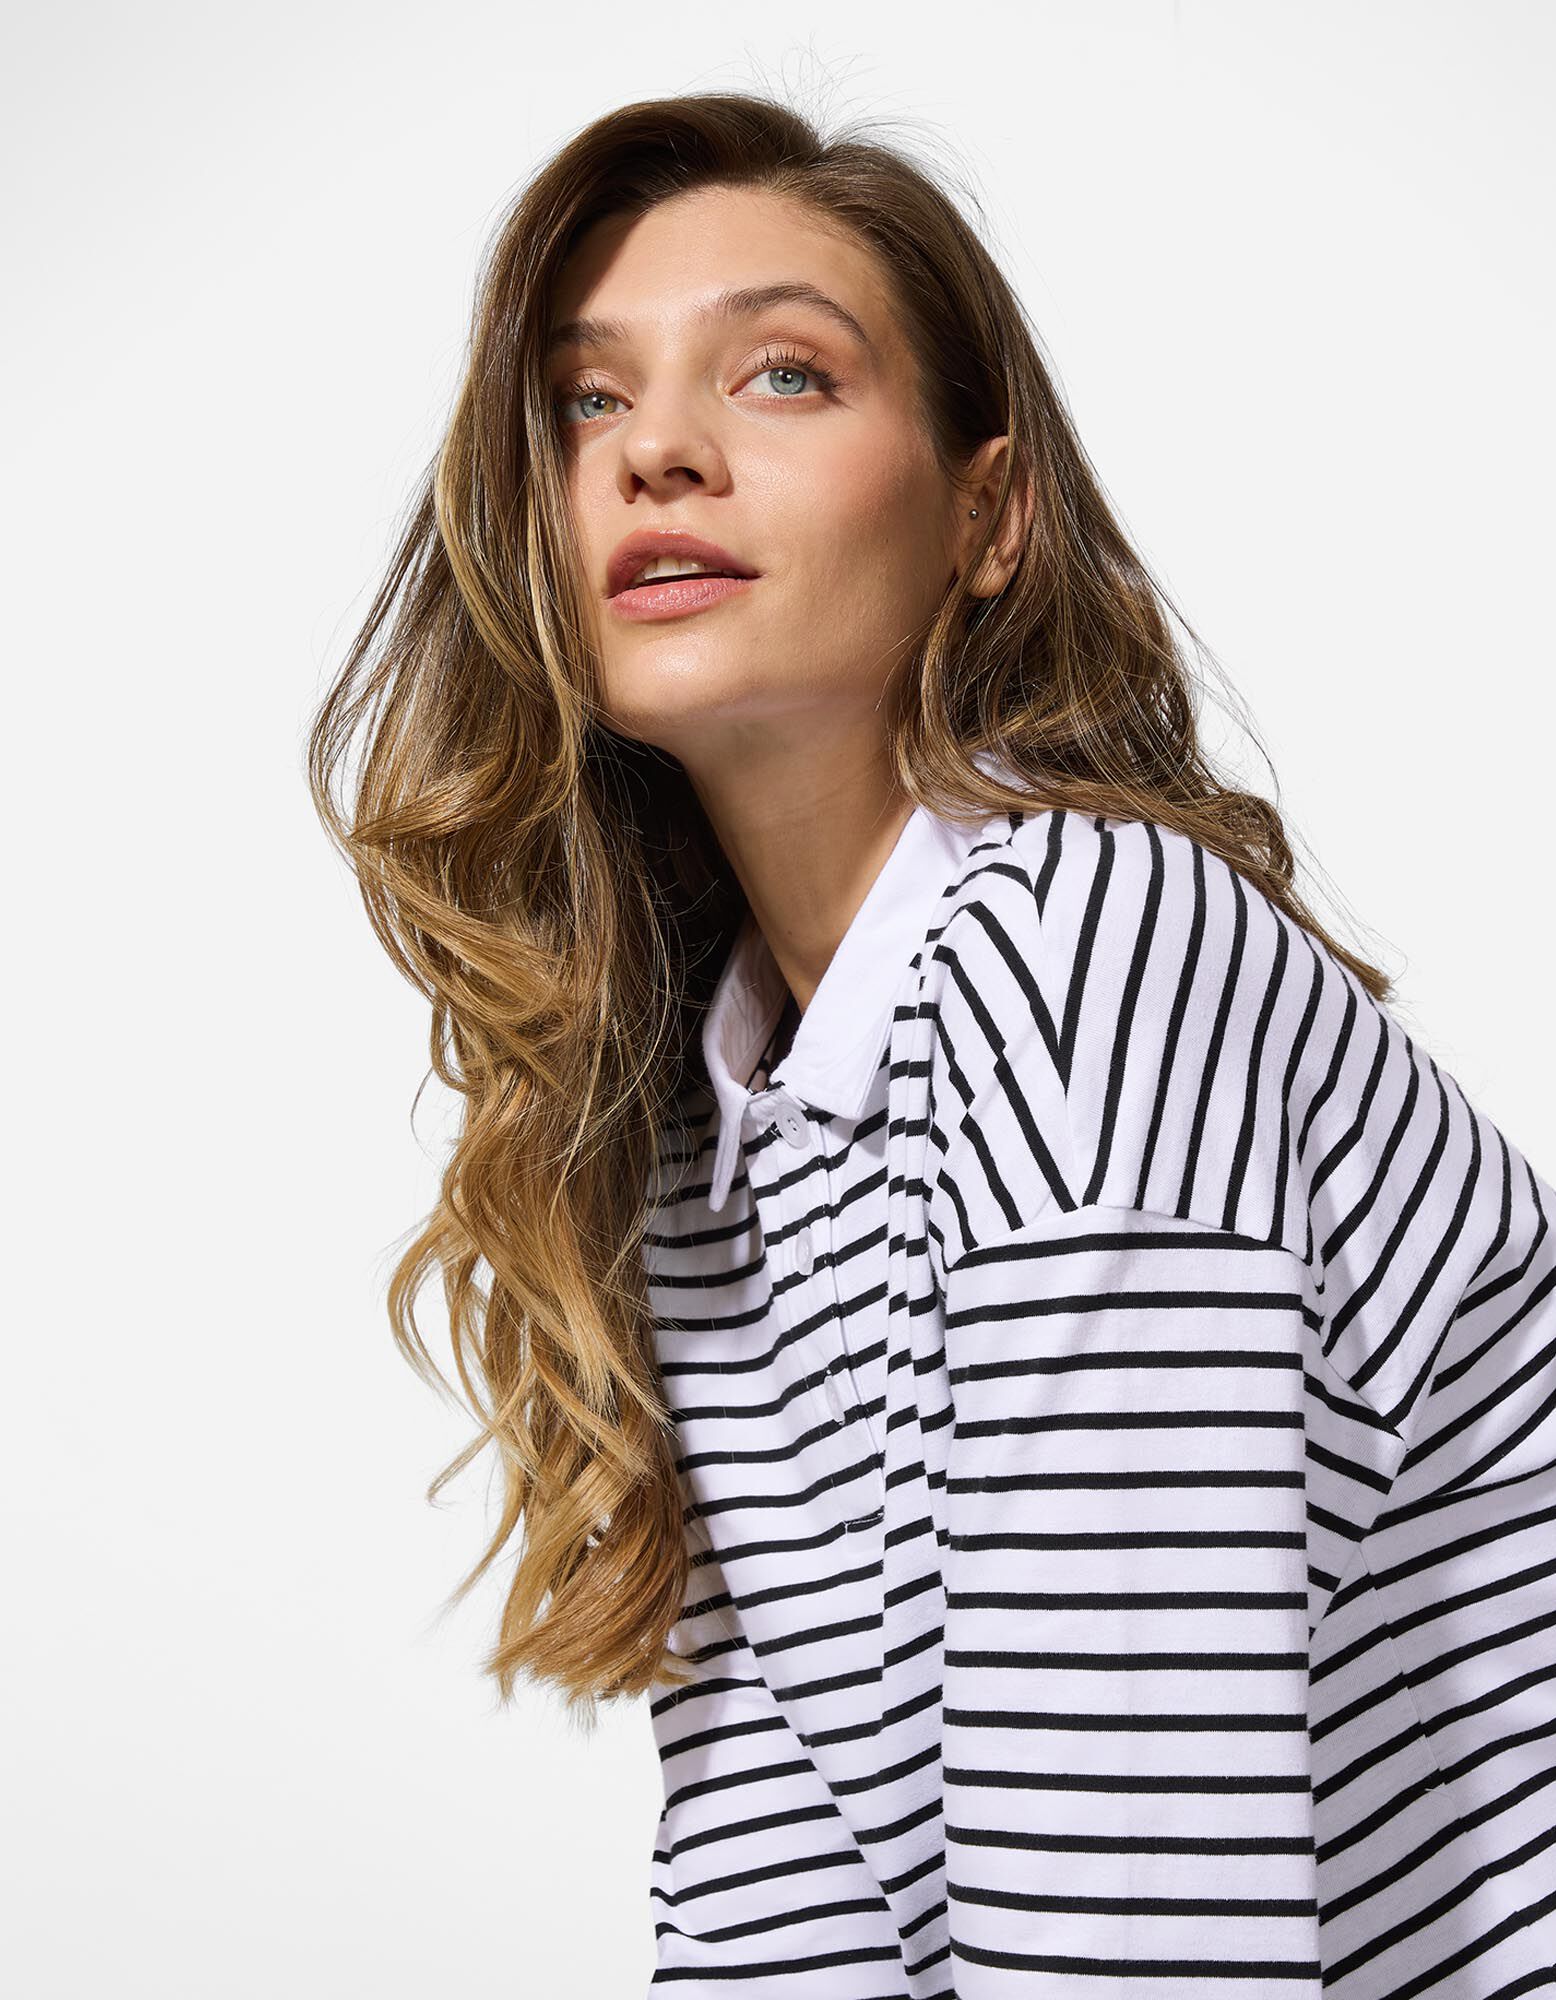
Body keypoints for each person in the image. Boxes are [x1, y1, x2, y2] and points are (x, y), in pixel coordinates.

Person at [306, 88, 1556, 1998]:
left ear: (986, 515)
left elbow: (1140, 1924)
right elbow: (777, 1919)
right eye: (584, 401)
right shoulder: (694, 1141)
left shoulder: (1089, 957)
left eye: (782, 375)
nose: (656, 450)